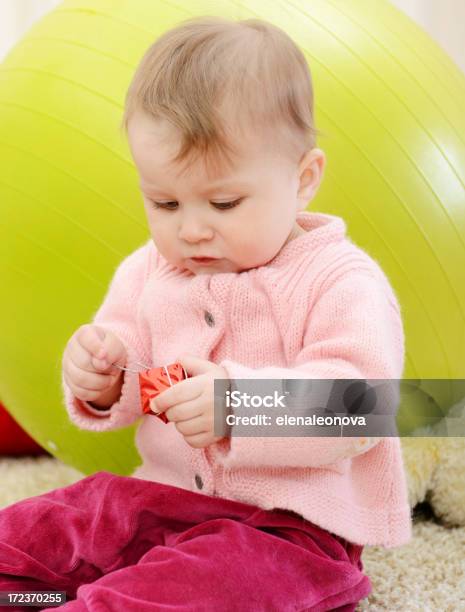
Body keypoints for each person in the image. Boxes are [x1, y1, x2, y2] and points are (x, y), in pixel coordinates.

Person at [0, 15, 412, 611]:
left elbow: (361, 406)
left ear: (303, 181)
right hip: (154, 498)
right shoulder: (149, 270)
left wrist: (236, 404)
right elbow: (131, 367)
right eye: (164, 201)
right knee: (38, 534)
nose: (191, 229)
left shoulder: (339, 280)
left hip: (283, 530)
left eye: (224, 202)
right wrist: (103, 376)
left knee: (185, 589)